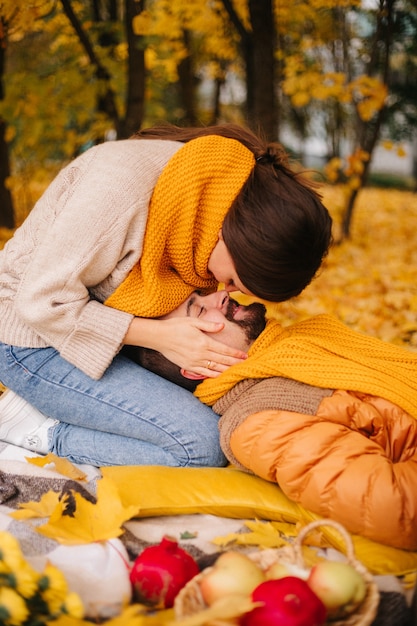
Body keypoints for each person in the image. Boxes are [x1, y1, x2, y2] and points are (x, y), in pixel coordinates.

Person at [0, 122, 332, 466]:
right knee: (200, 447)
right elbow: (40, 303)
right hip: (30, 340)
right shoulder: (118, 193)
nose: (224, 290)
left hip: (88, 331)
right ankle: (39, 430)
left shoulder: (212, 191)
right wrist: (159, 336)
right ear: (232, 236)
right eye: (233, 280)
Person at [0, 291, 267, 466]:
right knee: (202, 447)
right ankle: (44, 432)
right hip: (24, 337)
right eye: (199, 311)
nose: (222, 294)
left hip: (57, 322)